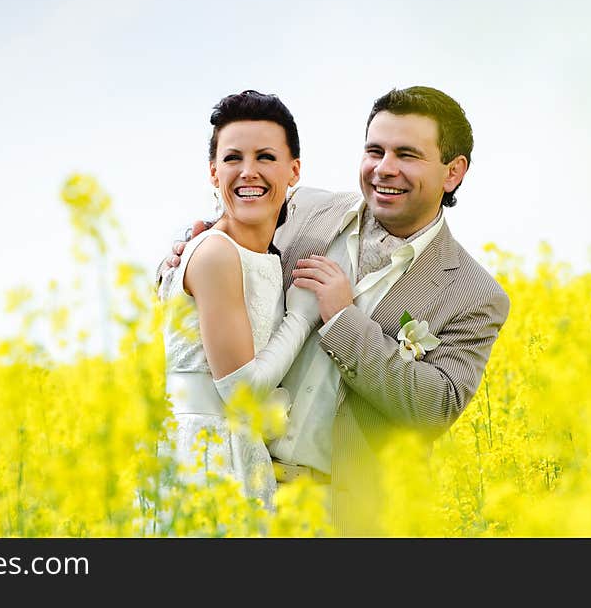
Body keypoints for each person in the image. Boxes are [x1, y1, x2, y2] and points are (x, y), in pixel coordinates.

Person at [160, 86, 510, 535]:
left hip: (340, 514)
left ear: (453, 172)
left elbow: (436, 406)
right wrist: (175, 260)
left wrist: (344, 321)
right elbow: (220, 248)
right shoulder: (301, 209)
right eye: (374, 150)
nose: (385, 168)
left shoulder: (473, 294)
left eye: (407, 154)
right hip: (239, 481)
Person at [158, 90, 320, 511]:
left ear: (294, 170)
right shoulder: (215, 252)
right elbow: (242, 392)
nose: (248, 172)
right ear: (213, 172)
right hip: (207, 457)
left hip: (237, 450)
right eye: (233, 159)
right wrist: (302, 317)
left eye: (265, 157)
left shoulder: (261, 255)